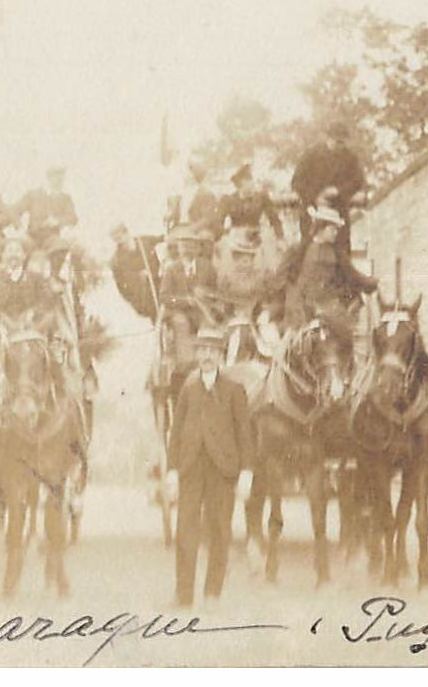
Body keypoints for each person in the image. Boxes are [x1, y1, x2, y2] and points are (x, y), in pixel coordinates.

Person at [166, 326, 253, 608]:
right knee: (185, 531)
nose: (207, 356)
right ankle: (183, 596)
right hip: (191, 467)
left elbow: (245, 434)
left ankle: (213, 593)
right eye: (202, 350)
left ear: (220, 356)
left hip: (222, 469)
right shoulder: (188, 390)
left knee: (219, 531)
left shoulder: (234, 391)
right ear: (197, 354)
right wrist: (171, 470)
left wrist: (246, 472)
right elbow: (175, 432)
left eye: (213, 351)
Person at [278, 207, 378, 330]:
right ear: (321, 228)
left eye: (336, 229)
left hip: (329, 305)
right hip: (301, 305)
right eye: (332, 229)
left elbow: (354, 275)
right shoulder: (300, 249)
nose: (336, 232)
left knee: (344, 336)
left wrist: (371, 282)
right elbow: (281, 276)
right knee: (290, 341)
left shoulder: (337, 253)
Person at [290, 121, 367, 254]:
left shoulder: (350, 158)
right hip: (312, 211)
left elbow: (358, 181)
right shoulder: (311, 154)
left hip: (338, 209)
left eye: (342, 142)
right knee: (309, 250)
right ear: (328, 138)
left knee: (341, 252)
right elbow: (297, 182)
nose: (339, 146)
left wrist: (338, 191)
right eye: (337, 141)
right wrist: (315, 197)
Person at [17, 166, 78, 252]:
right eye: (55, 176)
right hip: (31, 237)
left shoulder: (65, 198)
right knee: (18, 246)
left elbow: (73, 218)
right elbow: (15, 211)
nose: (58, 180)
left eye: (61, 178)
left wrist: (57, 221)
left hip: (51, 238)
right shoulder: (33, 194)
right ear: (48, 177)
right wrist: (20, 228)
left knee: (61, 246)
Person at [109, 224, 158, 322]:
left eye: (119, 238)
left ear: (127, 233)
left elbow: (165, 240)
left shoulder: (144, 241)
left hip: (161, 285)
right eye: (115, 240)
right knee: (157, 320)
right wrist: (134, 301)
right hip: (144, 297)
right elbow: (121, 286)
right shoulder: (117, 260)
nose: (119, 242)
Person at [219, 163, 284, 237]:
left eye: (251, 179)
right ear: (240, 184)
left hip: (256, 237)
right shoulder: (228, 200)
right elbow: (218, 222)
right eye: (247, 180)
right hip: (236, 239)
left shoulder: (262, 198)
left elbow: (275, 220)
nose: (252, 183)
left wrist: (280, 238)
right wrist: (225, 234)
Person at [159, 225, 216, 306]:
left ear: (198, 249)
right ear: (179, 248)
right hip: (177, 313)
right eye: (184, 246)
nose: (187, 250)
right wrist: (185, 301)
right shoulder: (171, 269)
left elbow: (215, 292)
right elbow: (164, 297)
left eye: (192, 246)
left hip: (201, 313)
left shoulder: (207, 267)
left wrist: (206, 292)